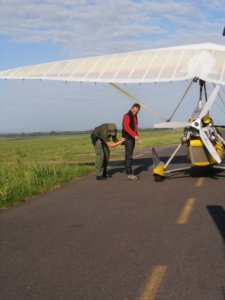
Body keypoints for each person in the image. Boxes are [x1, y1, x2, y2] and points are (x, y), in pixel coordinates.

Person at [122, 103, 141, 180]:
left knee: (130, 155)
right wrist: (135, 136)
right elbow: (126, 128)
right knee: (128, 155)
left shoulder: (135, 117)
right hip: (127, 138)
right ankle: (129, 173)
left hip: (132, 138)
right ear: (131, 108)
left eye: (136, 112)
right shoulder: (126, 116)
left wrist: (138, 137)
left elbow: (135, 128)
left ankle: (129, 170)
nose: (135, 113)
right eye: (134, 111)